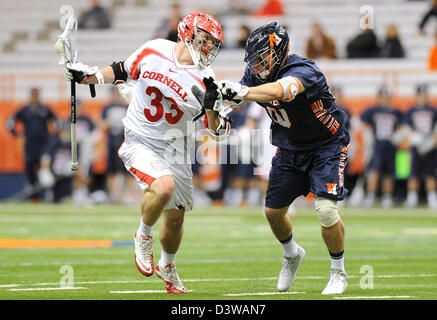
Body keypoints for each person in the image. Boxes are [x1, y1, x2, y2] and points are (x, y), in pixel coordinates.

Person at [64, 12, 227, 294]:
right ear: (187, 33)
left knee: (176, 218)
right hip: (141, 139)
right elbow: (120, 71)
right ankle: (143, 233)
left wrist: (214, 108)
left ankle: (168, 265)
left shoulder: (207, 79)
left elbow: (218, 130)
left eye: (213, 44)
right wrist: (89, 77)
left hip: (176, 149)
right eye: (205, 40)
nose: (209, 48)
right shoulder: (154, 50)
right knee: (163, 187)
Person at [212, 22, 350, 295]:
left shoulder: (304, 70)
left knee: (325, 210)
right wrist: (213, 101)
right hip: (290, 148)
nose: (258, 63)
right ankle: (292, 254)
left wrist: (243, 92)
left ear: (280, 50)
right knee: (273, 212)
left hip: (326, 146)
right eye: (255, 58)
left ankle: (338, 272)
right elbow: (226, 109)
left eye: (263, 56)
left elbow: (281, 91)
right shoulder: (254, 75)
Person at [6, 87, 58, 201]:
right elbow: (10, 122)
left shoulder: (45, 109)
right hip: (30, 145)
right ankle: (32, 198)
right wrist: (16, 134)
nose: (35, 97)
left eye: (36, 95)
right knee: (30, 171)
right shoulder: (24, 110)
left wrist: (54, 136)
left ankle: (49, 195)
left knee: (45, 168)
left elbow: (57, 121)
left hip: (44, 144)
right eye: (33, 95)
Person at [360, 87, 404, 209]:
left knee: (389, 173)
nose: (384, 100)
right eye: (382, 97)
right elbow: (361, 123)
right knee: (374, 171)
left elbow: (402, 127)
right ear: (378, 97)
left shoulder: (396, 111)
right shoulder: (372, 110)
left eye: (386, 98)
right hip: (377, 145)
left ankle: (387, 197)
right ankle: (370, 196)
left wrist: (399, 135)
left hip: (391, 145)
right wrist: (367, 136)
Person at [403, 84, 437, 209]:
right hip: (416, 147)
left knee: (430, 174)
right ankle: (412, 197)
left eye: (424, 95)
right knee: (414, 174)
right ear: (416, 96)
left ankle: (432, 198)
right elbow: (406, 129)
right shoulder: (411, 110)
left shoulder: (433, 110)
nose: (422, 97)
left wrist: (431, 142)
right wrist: (414, 138)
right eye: (420, 95)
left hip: (430, 147)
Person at [100, 87, 129, 203]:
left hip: (124, 142)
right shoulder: (106, 108)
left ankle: (124, 195)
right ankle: (112, 195)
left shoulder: (125, 107)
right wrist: (111, 123)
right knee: (111, 171)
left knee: (126, 170)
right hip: (111, 142)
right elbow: (102, 125)